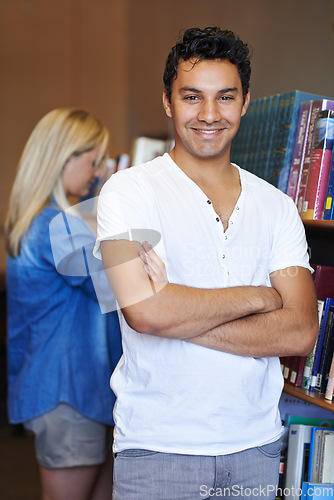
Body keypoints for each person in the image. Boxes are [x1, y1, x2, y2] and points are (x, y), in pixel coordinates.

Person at [94, 27, 319, 499]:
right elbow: (144, 313)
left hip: (255, 449)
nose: (210, 114)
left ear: (245, 102)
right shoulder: (127, 192)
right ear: (167, 101)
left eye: (226, 97)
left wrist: (176, 311)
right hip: (157, 450)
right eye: (192, 97)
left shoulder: (277, 206)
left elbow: (299, 331)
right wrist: (260, 298)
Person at [5, 108, 122, 500]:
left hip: (57, 387)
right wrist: (117, 203)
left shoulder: (37, 220)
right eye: (94, 162)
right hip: (70, 390)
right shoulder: (61, 226)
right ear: (65, 158)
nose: (96, 172)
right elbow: (116, 286)